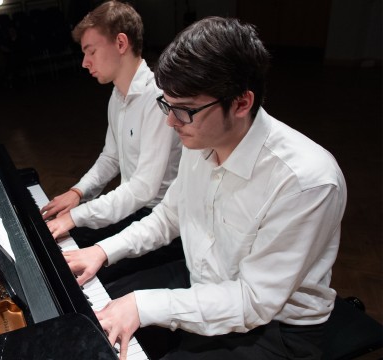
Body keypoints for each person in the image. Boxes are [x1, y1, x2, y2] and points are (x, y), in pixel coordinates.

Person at [64, 16, 347, 359]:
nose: (170, 121)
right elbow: (168, 217)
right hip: (206, 282)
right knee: (91, 314)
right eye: (166, 104)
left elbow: (252, 302)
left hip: (276, 329)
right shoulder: (200, 140)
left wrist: (144, 305)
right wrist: (102, 251)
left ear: (241, 103)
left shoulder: (306, 181)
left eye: (184, 111)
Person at [41, 1, 182, 283]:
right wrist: (78, 192)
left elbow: (143, 189)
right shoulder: (117, 96)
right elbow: (111, 157)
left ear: (120, 43)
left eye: (90, 51)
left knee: (77, 273)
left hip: (161, 222)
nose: (85, 62)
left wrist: (78, 216)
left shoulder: (157, 100)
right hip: (133, 208)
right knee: (52, 247)